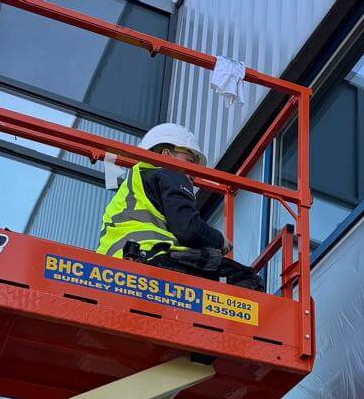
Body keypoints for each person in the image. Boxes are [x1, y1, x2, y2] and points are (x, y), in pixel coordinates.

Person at [98, 122, 262, 290]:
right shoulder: (170, 172)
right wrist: (219, 241)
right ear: (165, 155)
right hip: (151, 260)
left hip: (111, 271)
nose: (191, 172)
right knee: (248, 279)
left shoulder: (131, 185)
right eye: (189, 161)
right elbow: (187, 229)